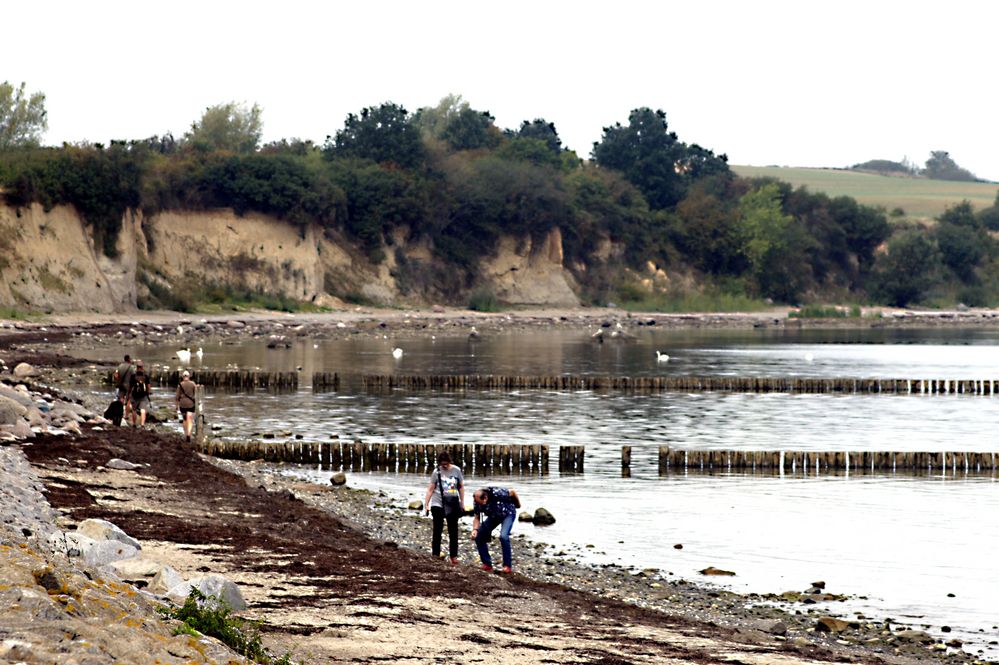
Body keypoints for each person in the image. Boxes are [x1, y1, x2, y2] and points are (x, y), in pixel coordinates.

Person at [422, 452, 465, 564]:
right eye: (442, 464)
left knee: (453, 531)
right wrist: (426, 504)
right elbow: (430, 489)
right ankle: (435, 555)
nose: (444, 466)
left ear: (449, 462)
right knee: (437, 530)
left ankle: (453, 556)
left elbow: (460, 487)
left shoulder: (456, 470)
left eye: (446, 464)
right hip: (438, 502)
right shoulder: (437, 472)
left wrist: (462, 502)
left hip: (452, 503)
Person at [470, 486, 520, 574]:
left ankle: (507, 566)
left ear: (485, 498)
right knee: (479, 536)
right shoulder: (476, 501)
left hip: (508, 513)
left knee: (503, 536)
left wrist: (517, 505)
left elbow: (512, 492)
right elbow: (477, 517)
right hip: (494, 516)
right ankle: (487, 564)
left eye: (481, 503)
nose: (479, 504)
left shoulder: (497, 492)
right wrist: (475, 530)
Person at [126, 360, 152, 427]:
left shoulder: (133, 376)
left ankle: (134, 424)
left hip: (134, 395)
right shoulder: (145, 376)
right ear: (142, 367)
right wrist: (148, 392)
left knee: (134, 410)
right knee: (143, 410)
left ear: (137, 367)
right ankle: (142, 424)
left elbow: (130, 387)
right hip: (143, 396)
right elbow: (148, 386)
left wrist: (129, 394)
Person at [175, 370, 197, 443]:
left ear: (183, 377)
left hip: (183, 404)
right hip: (191, 404)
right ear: (189, 376)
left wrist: (176, 406)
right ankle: (189, 434)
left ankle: (185, 433)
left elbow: (177, 396)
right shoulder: (193, 384)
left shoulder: (180, 385)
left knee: (184, 420)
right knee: (190, 419)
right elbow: (196, 394)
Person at [113, 354, 135, 422]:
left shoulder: (120, 366)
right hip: (128, 385)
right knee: (128, 400)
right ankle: (126, 415)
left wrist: (118, 381)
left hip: (121, 385)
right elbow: (133, 376)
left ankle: (120, 413)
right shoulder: (131, 367)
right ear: (128, 359)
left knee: (121, 399)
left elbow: (116, 375)